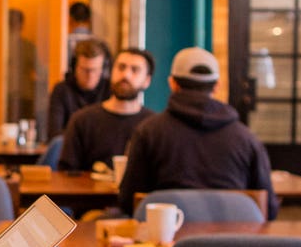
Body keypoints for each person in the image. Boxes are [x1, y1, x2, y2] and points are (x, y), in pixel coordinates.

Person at [116, 47, 276, 218]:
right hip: (232, 234)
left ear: (172, 84)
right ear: (217, 86)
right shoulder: (247, 138)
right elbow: (269, 208)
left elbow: (128, 201)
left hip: (169, 234)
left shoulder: (148, 132)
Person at [55, 47, 155, 172]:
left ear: (147, 80)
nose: (125, 75)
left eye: (135, 70)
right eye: (121, 67)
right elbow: (65, 174)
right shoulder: (82, 120)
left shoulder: (154, 127)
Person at [45, 37, 111, 141]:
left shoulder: (111, 90)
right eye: (85, 70)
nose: (90, 76)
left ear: (103, 69)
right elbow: (54, 134)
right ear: (74, 67)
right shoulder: (61, 90)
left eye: (95, 70)